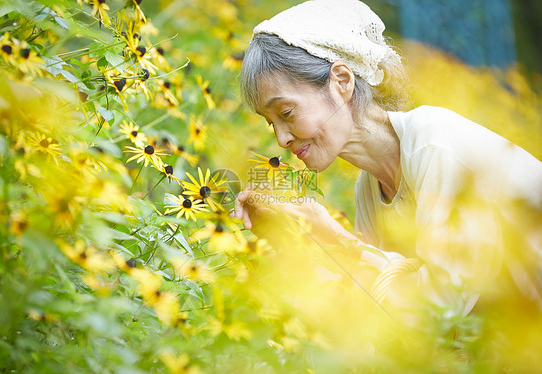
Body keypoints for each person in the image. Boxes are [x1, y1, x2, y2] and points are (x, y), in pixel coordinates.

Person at [231, 0, 542, 316]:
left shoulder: (434, 144)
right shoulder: (369, 190)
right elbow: (381, 310)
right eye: (271, 122)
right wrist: (297, 239)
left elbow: (438, 311)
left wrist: (333, 235)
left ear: (342, 82)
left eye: (286, 112)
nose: (281, 139)